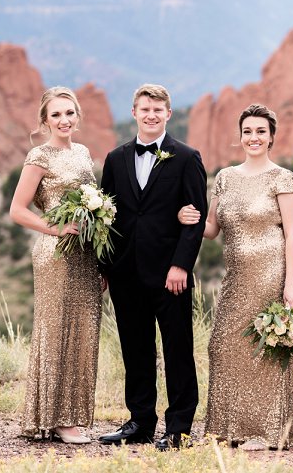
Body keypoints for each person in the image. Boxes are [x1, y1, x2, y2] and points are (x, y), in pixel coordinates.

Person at [177, 104, 293, 449]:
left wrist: (291, 283)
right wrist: (184, 216)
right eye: (248, 131)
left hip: (270, 274)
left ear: (272, 137)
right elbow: (211, 229)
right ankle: (229, 426)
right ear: (240, 136)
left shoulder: (282, 178)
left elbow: (292, 234)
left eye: (261, 131)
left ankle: (267, 431)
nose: (254, 137)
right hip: (235, 278)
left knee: (265, 346)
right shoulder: (225, 178)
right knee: (223, 345)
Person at [97, 84, 208, 451]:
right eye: (145, 109)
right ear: (134, 112)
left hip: (169, 274)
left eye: (158, 110)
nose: (151, 115)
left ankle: (179, 428)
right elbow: (106, 217)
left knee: (178, 351)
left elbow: (196, 218)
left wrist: (181, 266)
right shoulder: (116, 158)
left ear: (168, 114)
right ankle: (140, 422)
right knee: (136, 350)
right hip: (125, 272)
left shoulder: (187, 157)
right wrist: (105, 267)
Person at [9, 87, 104, 444]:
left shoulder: (83, 152)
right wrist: (56, 228)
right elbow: (17, 210)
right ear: (45, 121)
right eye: (56, 115)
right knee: (56, 329)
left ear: (78, 115)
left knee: (83, 330)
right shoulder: (39, 156)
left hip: (86, 254)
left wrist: (101, 262)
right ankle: (55, 417)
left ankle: (70, 414)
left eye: (69, 113)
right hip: (56, 254)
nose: (64, 120)